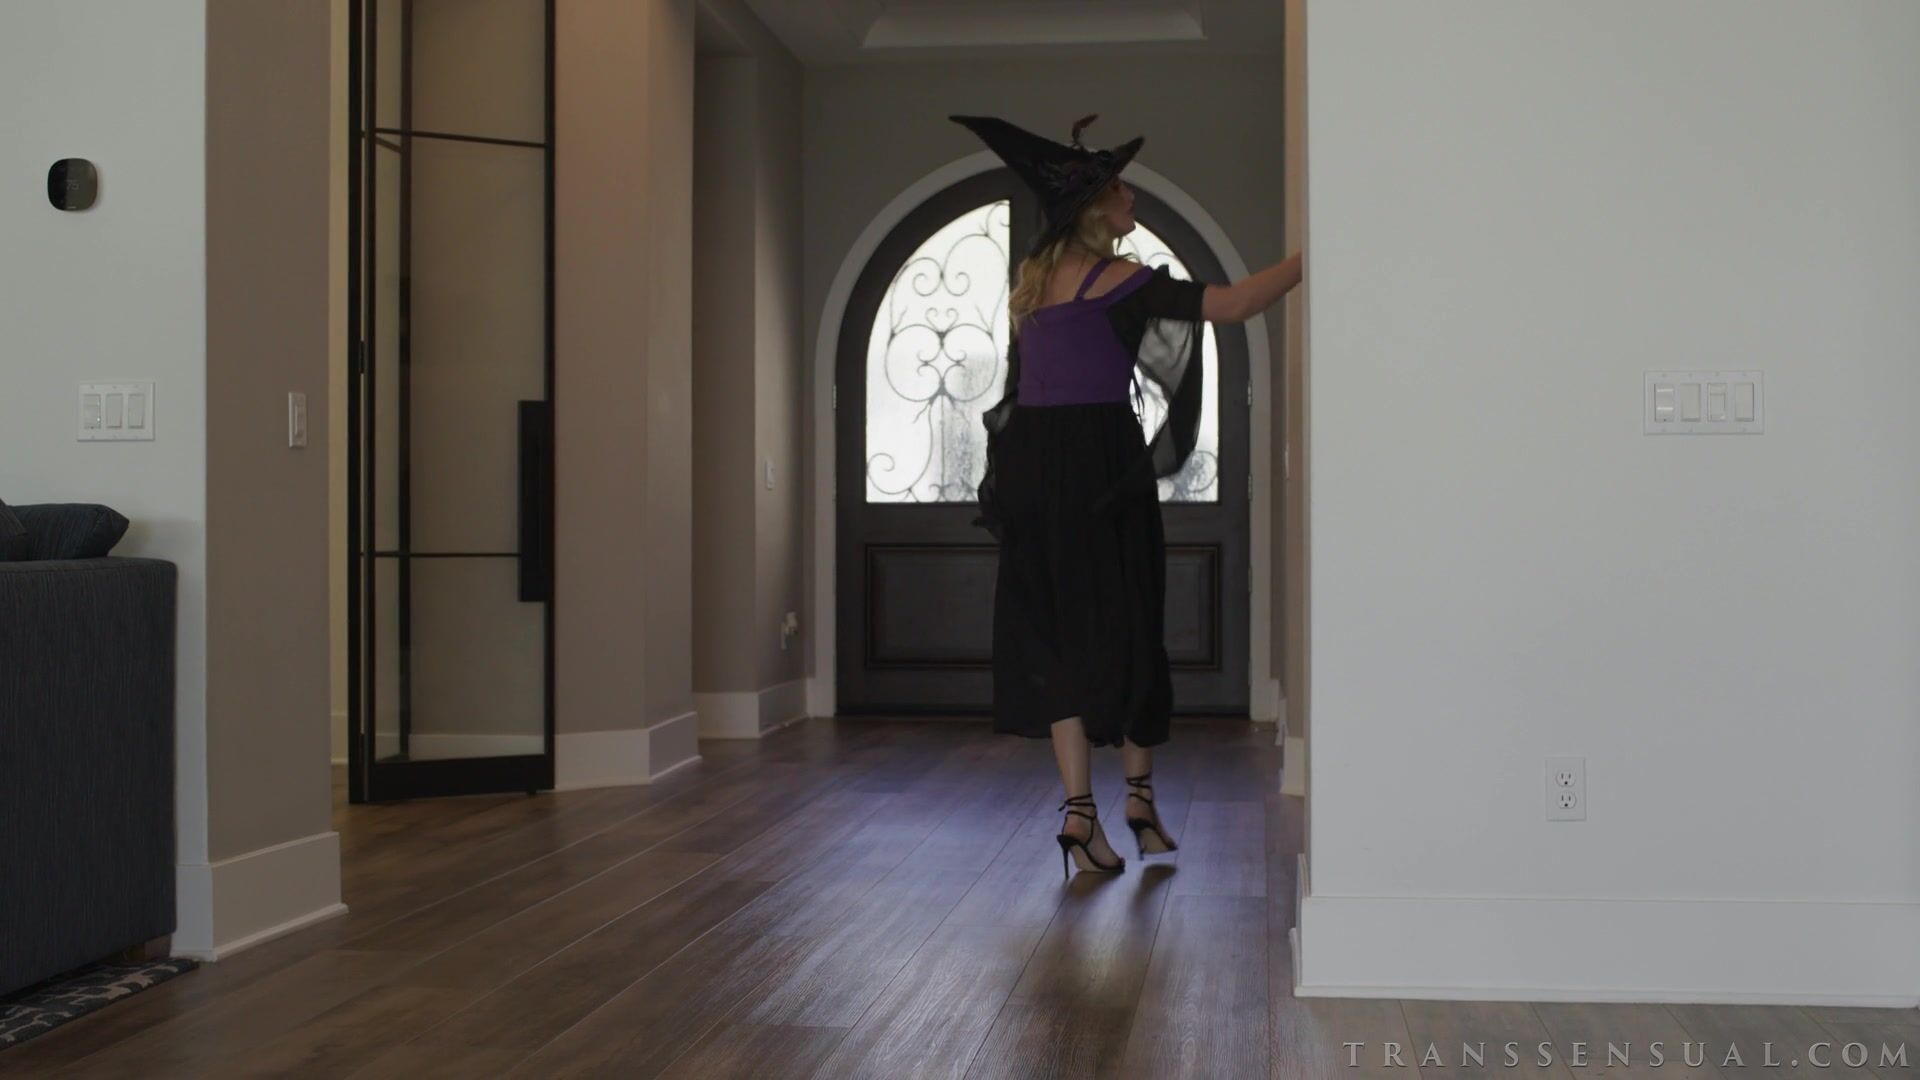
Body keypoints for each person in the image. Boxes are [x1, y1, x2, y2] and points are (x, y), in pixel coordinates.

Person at [951, 114, 1303, 879]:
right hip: (1099, 466)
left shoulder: (1034, 282)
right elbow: (1234, 305)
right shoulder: (1117, 282)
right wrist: (1311, 258)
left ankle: (1080, 815)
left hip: (1035, 468)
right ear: (1093, 207)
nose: (1131, 197)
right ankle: (1138, 798)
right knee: (1131, 627)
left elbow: (1025, 389)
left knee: (1056, 637)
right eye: (1119, 188)